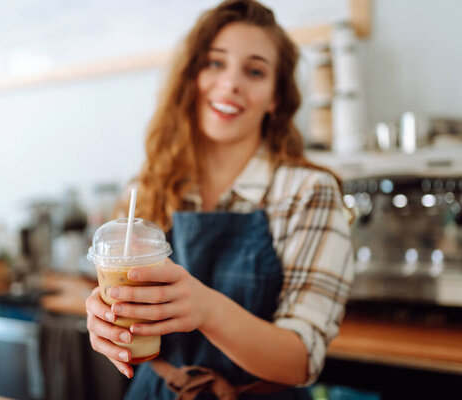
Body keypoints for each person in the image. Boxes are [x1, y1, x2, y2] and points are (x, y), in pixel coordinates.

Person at [85, 0, 354, 398]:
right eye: (215, 63)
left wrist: (206, 309)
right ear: (191, 76)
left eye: (255, 71)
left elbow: (300, 360)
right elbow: (132, 334)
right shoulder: (148, 189)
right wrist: (108, 326)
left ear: (275, 97)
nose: (231, 83)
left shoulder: (307, 194)